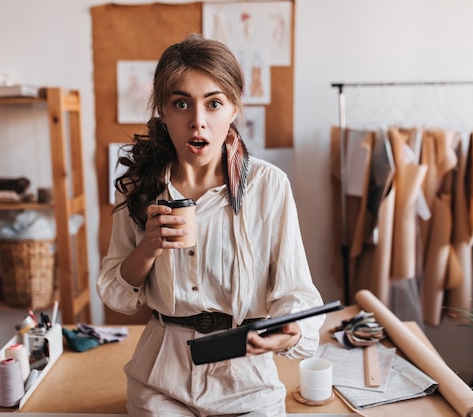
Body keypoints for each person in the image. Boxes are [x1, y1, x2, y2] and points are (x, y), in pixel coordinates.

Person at [97, 33, 325, 417]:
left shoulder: (268, 185)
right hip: (160, 380)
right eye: (181, 104)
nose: (197, 121)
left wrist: (292, 330)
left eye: (214, 103)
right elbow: (117, 294)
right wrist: (149, 246)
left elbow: (296, 291)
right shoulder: (139, 187)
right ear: (163, 111)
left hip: (246, 379)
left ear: (234, 108)